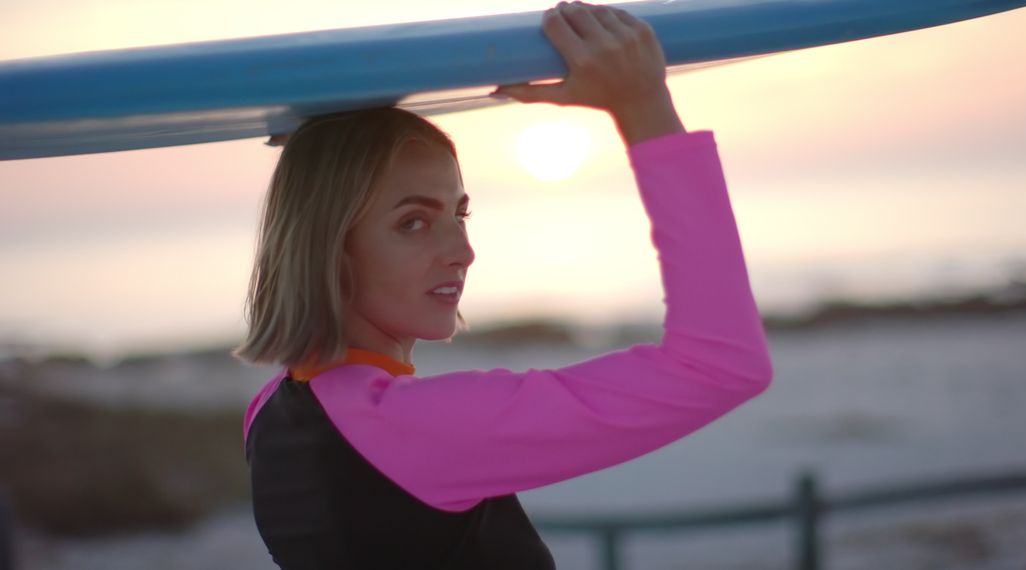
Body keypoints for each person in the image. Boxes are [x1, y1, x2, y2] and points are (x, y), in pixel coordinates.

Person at [237, 1, 773, 568]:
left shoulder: (272, 412)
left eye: (459, 215)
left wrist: (318, 140)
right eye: (412, 223)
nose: (463, 253)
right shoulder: (411, 427)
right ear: (327, 245)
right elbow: (722, 364)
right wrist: (643, 107)